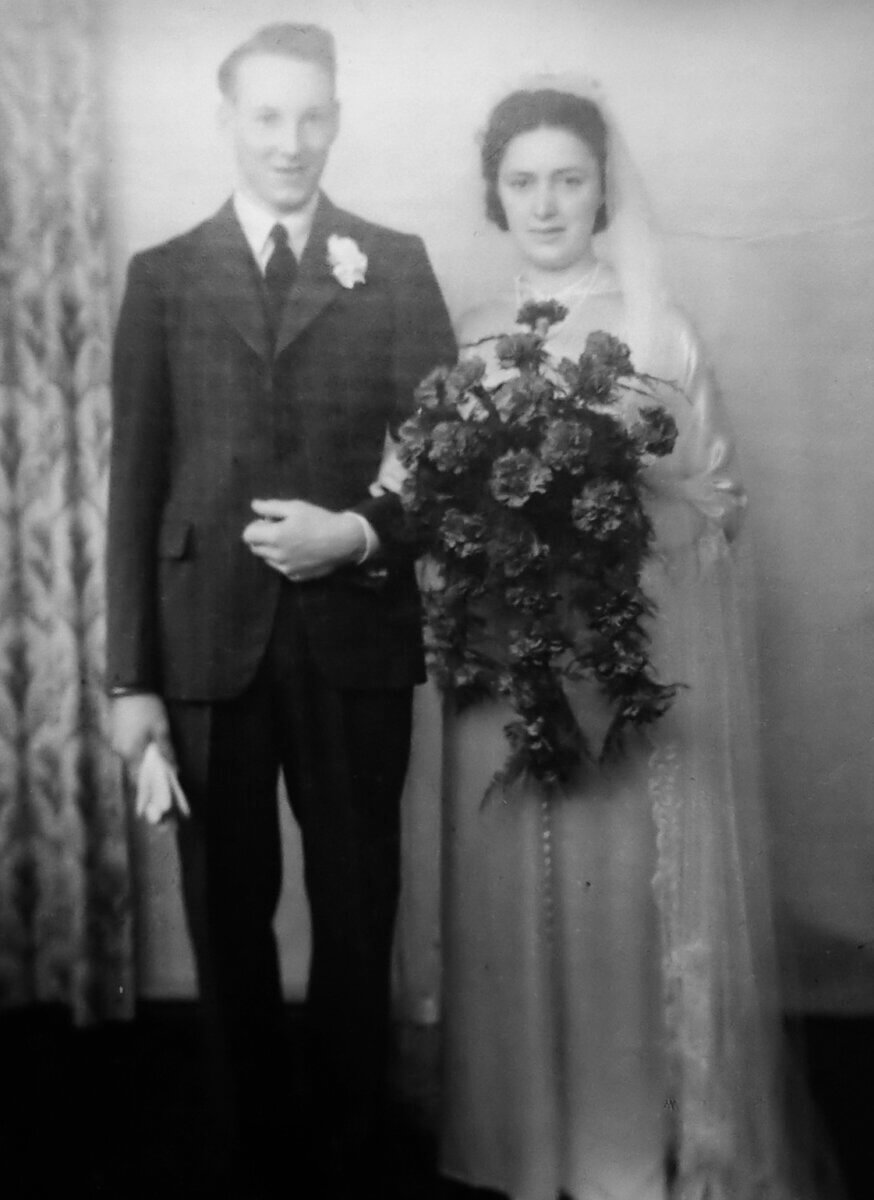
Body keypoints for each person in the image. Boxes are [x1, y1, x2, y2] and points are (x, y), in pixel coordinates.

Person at [431, 81, 837, 1200]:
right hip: (505, 666)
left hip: (622, 661)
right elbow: (424, 496)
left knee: (616, 914)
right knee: (513, 895)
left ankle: (614, 1155)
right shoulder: (465, 334)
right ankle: (522, 1145)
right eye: (523, 182)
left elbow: (719, 505)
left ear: (603, 190)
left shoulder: (656, 326)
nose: (546, 203)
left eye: (568, 179)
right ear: (494, 194)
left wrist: (614, 536)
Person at [104, 22, 455, 1195]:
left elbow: (443, 456)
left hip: (353, 633)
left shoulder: (391, 262)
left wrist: (354, 532)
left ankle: (353, 1151)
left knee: (360, 909)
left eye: (312, 115)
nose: (291, 140)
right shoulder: (163, 276)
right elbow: (134, 486)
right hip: (206, 645)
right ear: (228, 122)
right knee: (227, 909)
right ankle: (252, 1151)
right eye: (267, 116)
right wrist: (129, 680)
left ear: (338, 118)